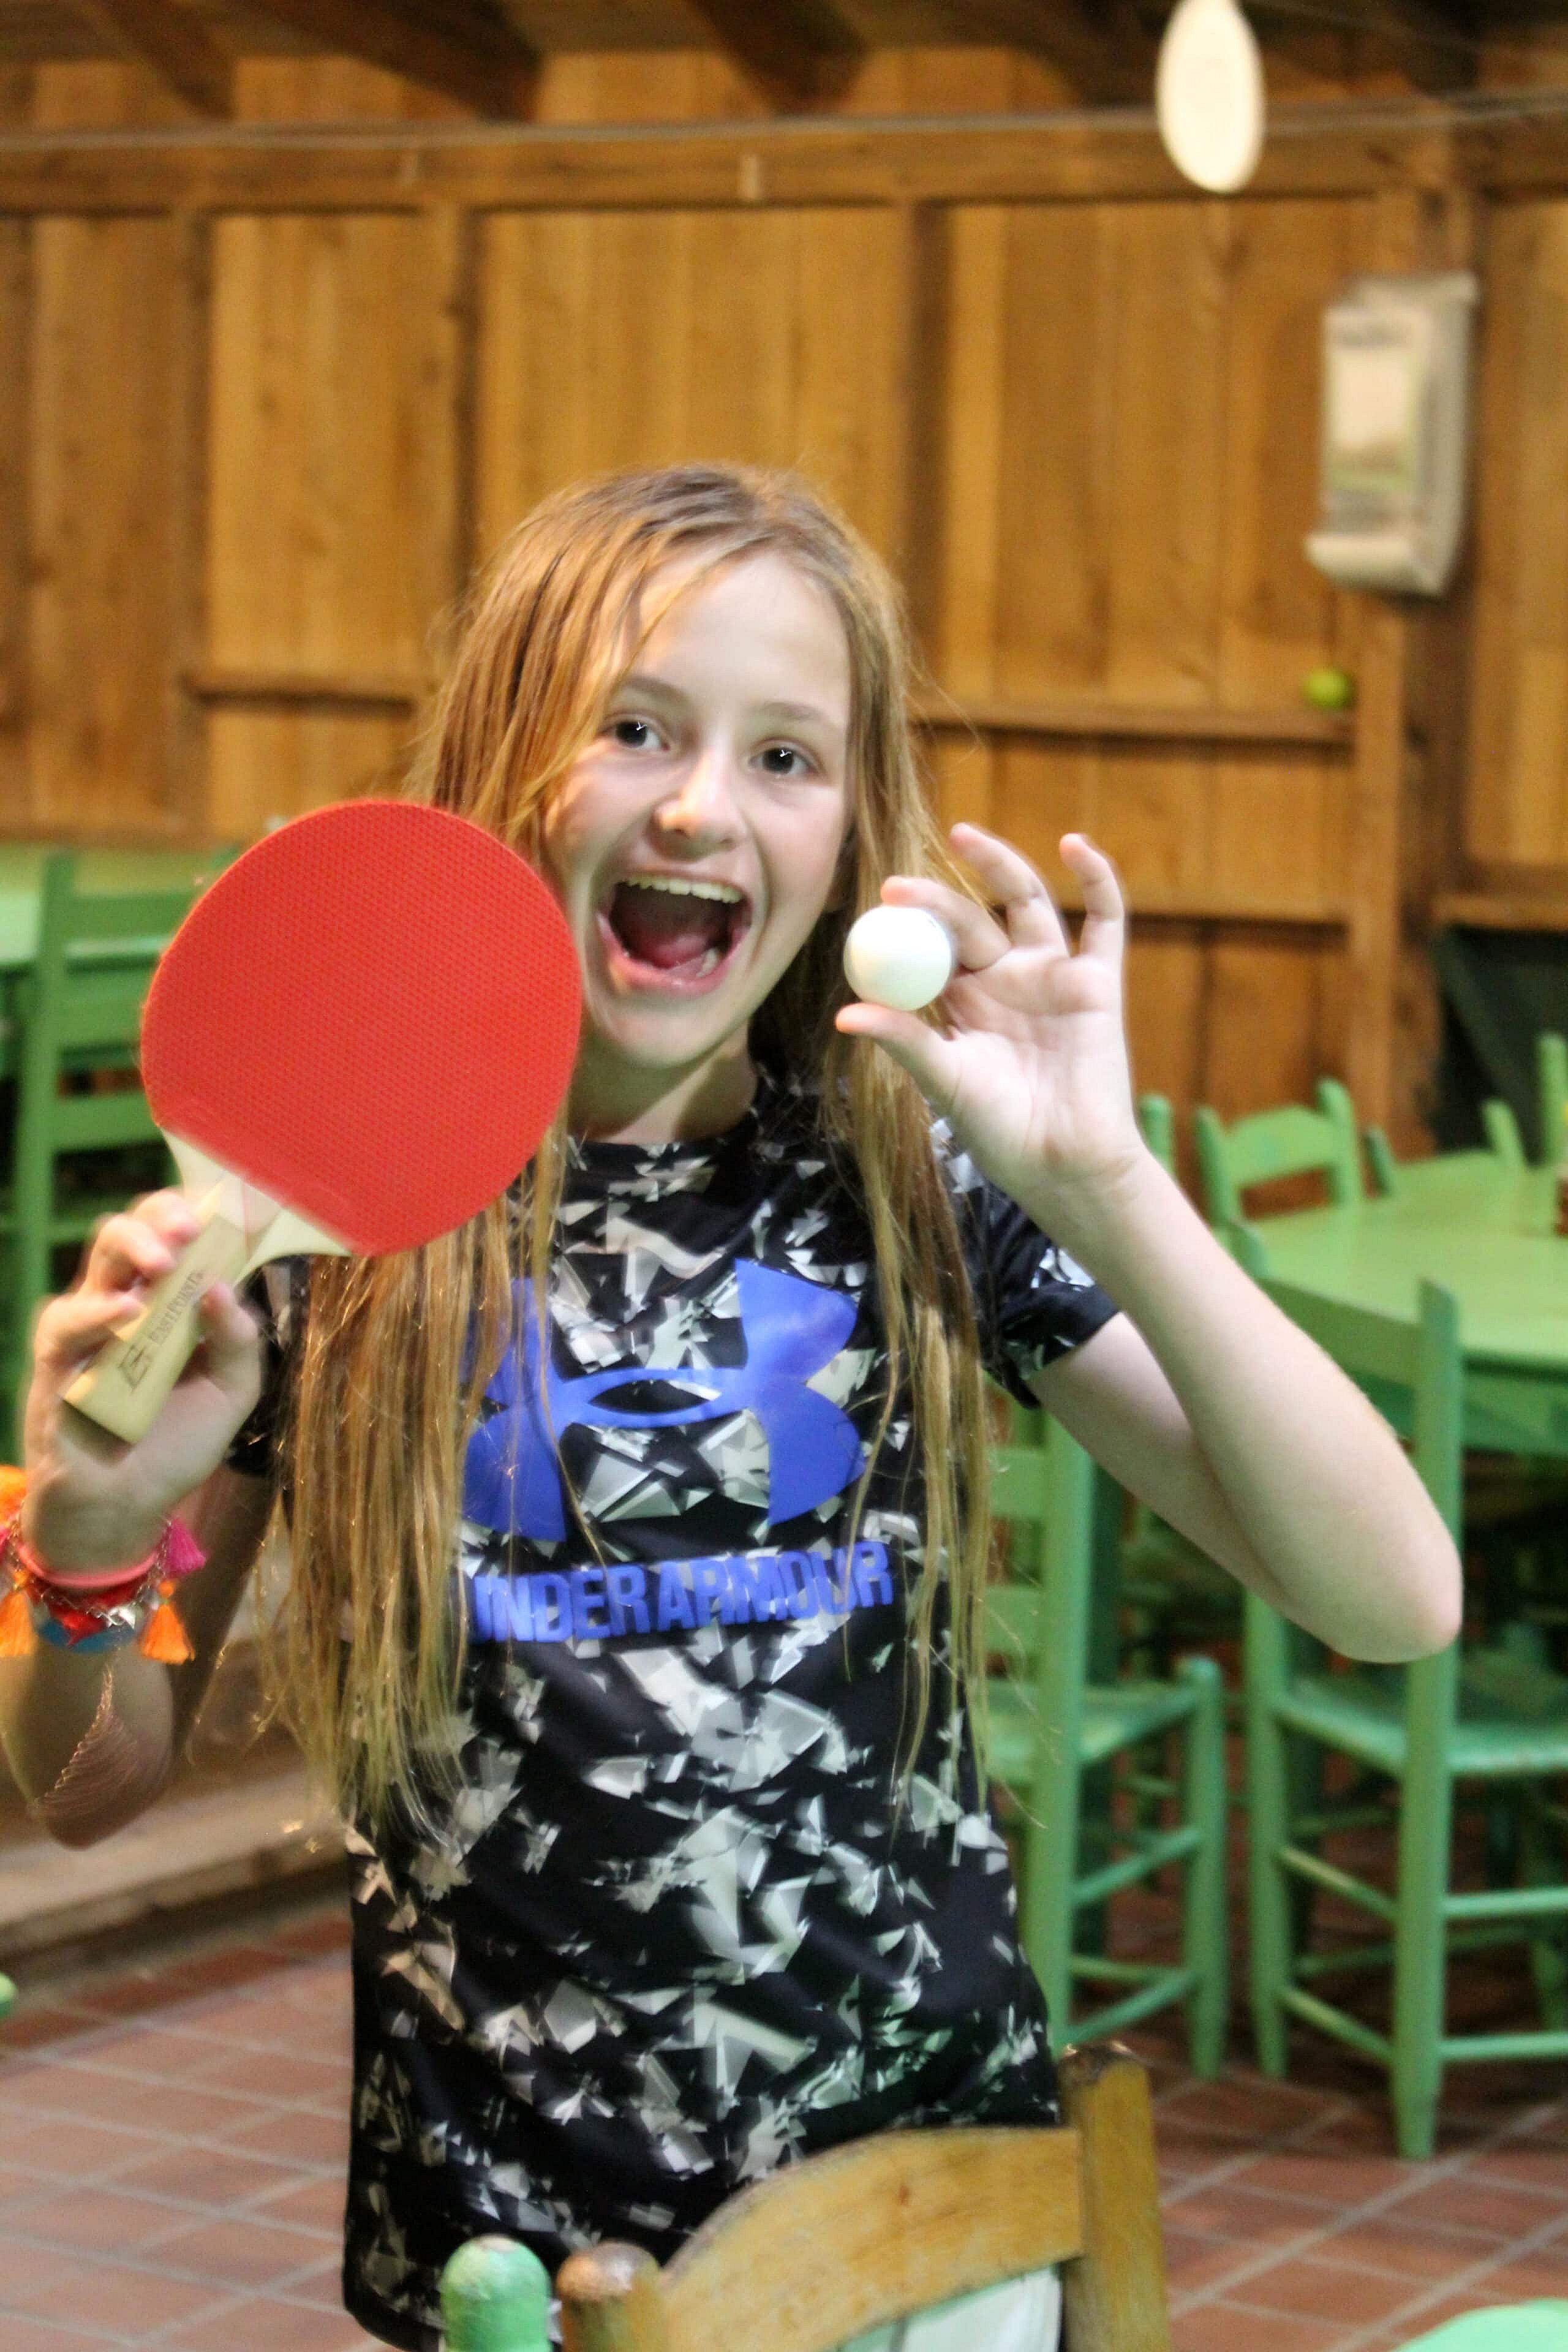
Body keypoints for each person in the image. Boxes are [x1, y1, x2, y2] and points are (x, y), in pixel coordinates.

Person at [0, 466, 1460, 2352]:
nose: (707, 802)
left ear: (851, 834)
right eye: (635, 727)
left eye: (790, 755)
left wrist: (1105, 1181)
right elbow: (86, 1789)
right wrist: (94, 1538)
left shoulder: (916, 1180)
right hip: (516, 2288)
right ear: (508, 760)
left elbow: (1393, 1599)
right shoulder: (331, 1222)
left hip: (938, 2242)